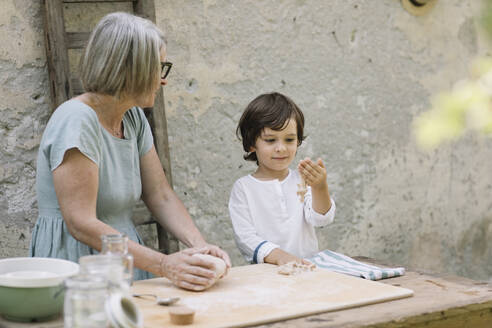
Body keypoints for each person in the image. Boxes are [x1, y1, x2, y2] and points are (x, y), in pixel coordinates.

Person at [30, 12, 230, 291]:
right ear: (131, 68)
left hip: (126, 260)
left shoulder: (133, 118)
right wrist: (163, 264)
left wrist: (200, 246)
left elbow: (160, 195)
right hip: (79, 264)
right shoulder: (76, 120)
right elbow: (81, 223)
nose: (163, 80)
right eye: (158, 68)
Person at [229, 92, 336, 265]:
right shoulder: (244, 188)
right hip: (267, 275)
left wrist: (320, 187)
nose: (281, 148)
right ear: (251, 144)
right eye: (270, 140)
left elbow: (321, 219)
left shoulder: (302, 179)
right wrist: (281, 257)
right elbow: (245, 238)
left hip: (307, 269)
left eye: (289, 139)